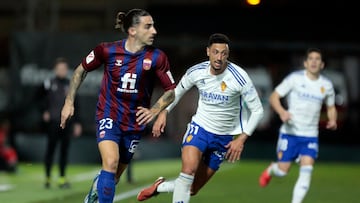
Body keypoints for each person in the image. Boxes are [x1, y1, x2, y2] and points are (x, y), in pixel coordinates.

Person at [59, 8, 176, 203]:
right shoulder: (107, 50)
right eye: (148, 26)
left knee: (113, 177)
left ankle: (95, 191)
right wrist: (68, 102)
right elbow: (80, 71)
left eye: (153, 26)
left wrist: (156, 110)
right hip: (109, 114)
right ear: (132, 30)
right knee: (110, 162)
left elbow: (171, 90)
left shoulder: (157, 57)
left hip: (134, 122)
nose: (154, 31)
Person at [137, 33, 264, 203]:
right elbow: (176, 92)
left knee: (192, 189)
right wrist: (164, 112)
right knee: (188, 170)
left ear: (228, 54)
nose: (219, 57)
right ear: (208, 52)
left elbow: (257, 110)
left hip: (224, 138)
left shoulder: (239, 78)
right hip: (200, 129)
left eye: (223, 53)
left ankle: (160, 187)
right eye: (215, 52)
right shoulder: (196, 72)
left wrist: (241, 139)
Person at [258, 48, 338, 203]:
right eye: (311, 59)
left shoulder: (326, 85)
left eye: (317, 59)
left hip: (310, 136)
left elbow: (331, 106)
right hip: (290, 133)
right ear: (305, 63)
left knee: (307, 169)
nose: (314, 61)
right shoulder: (294, 79)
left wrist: (332, 119)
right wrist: (282, 112)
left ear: (322, 65)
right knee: (283, 171)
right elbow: (274, 96)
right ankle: (272, 169)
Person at [40, 57, 82, 189]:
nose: (62, 71)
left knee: (64, 151)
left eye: (64, 69)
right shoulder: (48, 84)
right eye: (60, 69)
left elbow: (77, 104)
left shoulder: (70, 85)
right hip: (53, 122)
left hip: (67, 123)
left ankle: (62, 178)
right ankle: (47, 177)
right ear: (55, 69)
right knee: (50, 149)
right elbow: (38, 99)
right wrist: (44, 111)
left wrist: (77, 123)